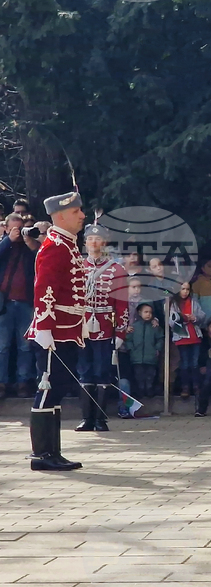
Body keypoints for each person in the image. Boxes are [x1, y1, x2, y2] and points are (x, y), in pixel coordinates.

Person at [24, 191, 88, 471]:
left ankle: (53, 451)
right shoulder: (54, 246)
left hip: (67, 329)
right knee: (48, 387)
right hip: (54, 330)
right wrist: (46, 328)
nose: (82, 215)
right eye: (77, 212)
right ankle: (41, 454)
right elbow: (45, 291)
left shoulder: (68, 244)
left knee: (59, 388)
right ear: (61, 216)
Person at [77, 223, 129, 432]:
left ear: (104, 242)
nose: (94, 242)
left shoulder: (117, 270)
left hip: (105, 326)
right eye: (90, 239)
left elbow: (122, 303)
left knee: (102, 372)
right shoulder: (79, 267)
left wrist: (121, 331)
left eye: (97, 239)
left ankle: (100, 419)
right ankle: (86, 418)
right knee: (84, 372)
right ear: (85, 242)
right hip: (82, 327)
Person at [0, 213, 38, 398]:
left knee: (25, 346)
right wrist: (8, 241)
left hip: (26, 303)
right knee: (3, 346)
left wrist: (28, 240)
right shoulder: (3, 246)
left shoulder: (28, 248)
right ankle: (2, 382)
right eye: (13, 228)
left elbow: (39, 260)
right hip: (4, 303)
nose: (17, 232)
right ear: (6, 228)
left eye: (19, 228)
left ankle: (23, 382)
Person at [169, 281, 206, 399]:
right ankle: (185, 387)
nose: (185, 292)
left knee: (194, 363)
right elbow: (170, 321)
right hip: (181, 336)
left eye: (187, 289)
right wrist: (182, 318)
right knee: (184, 363)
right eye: (182, 289)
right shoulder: (173, 302)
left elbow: (202, 315)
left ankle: (196, 386)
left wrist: (195, 318)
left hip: (194, 336)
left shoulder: (194, 301)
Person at [126, 303, 163, 398]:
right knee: (138, 376)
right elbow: (128, 339)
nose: (148, 314)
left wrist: (157, 349)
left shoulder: (155, 327)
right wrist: (131, 349)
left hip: (151, 357)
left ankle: (149, 390)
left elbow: (160, 338)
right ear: (139, 312)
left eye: (150, 312)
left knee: (150, 375)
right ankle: (140, 391)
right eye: (146, 312)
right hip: (137, 357)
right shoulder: (134, 326)